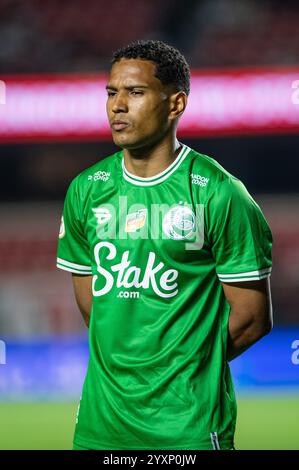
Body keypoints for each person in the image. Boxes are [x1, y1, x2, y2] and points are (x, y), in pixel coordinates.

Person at [56, 40, 273, 450]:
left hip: (186, 426)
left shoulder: (219, 194)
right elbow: (93, 306)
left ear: (175, 104)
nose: (118, 105)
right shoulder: (85, 190)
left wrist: (186, 366)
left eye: (135, 92)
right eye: (111, 92)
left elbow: (251, 319)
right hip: (101, 428)